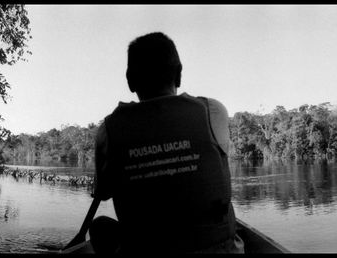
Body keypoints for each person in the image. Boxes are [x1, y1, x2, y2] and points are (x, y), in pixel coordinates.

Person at [89, 32, 244, 253]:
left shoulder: (108, 130)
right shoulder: (213, 111)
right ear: (179, 75)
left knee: (100, 227)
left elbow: (103, 192)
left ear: (130, 81)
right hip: (220, 248)